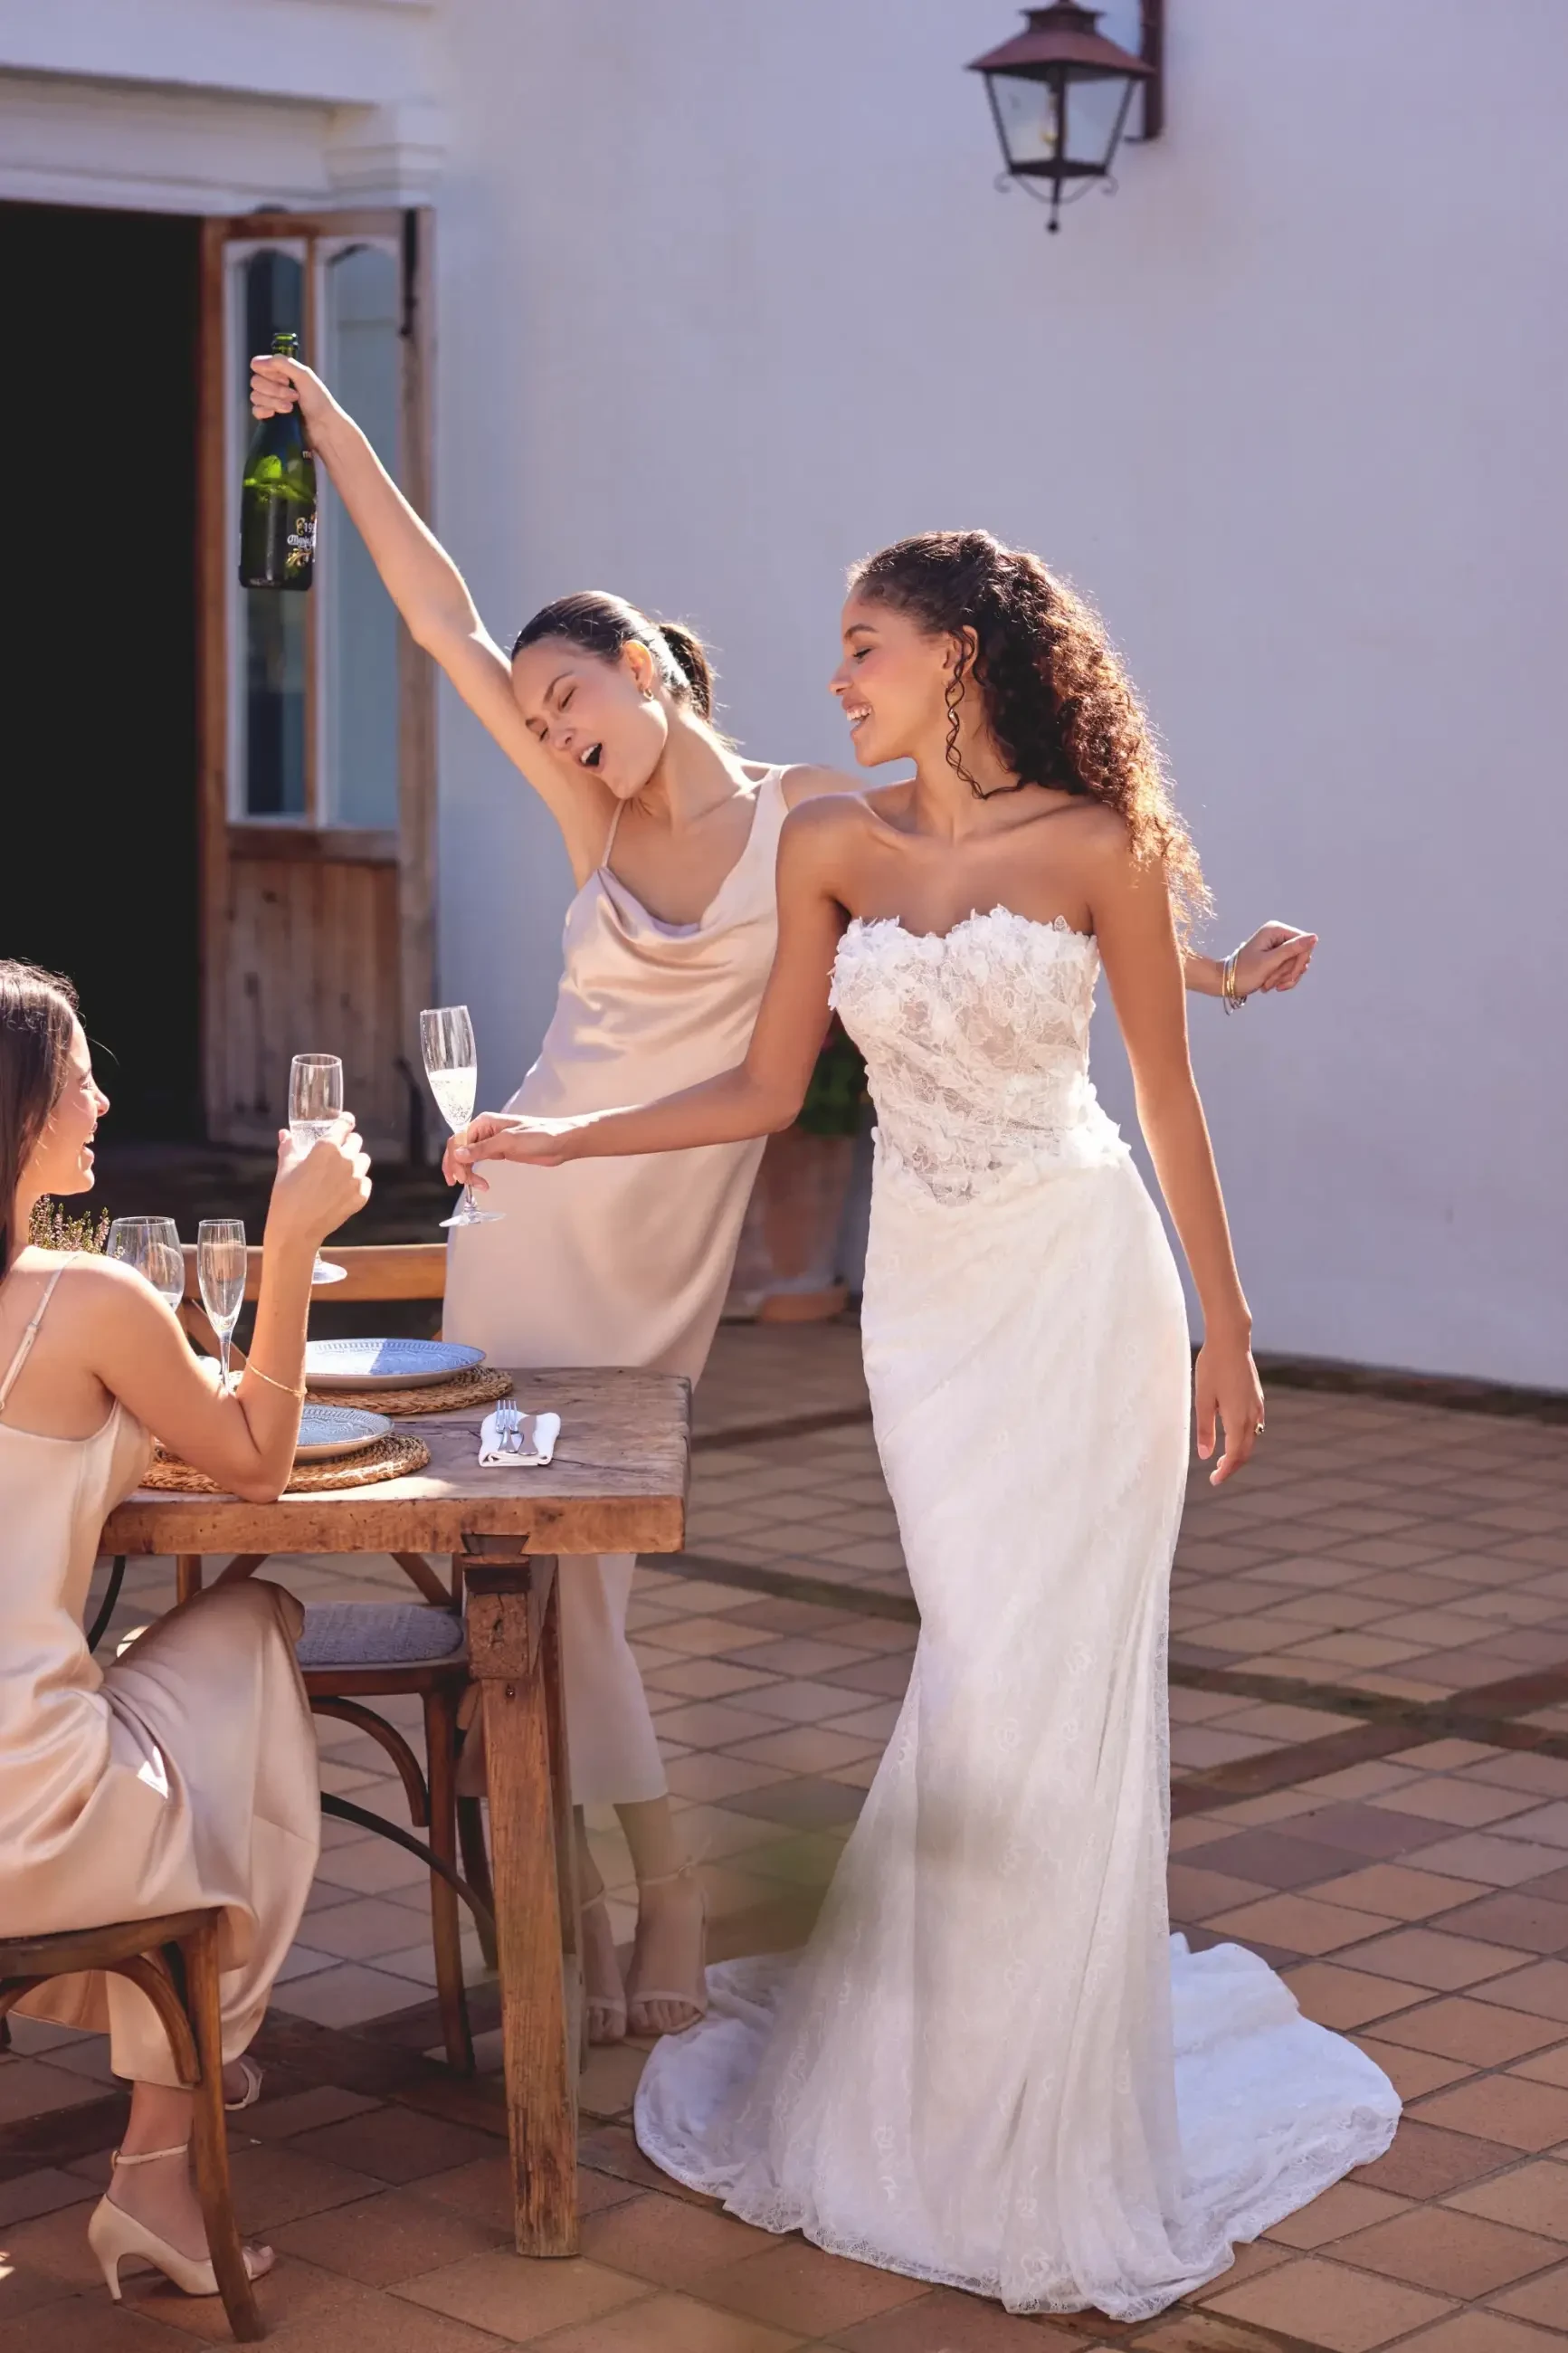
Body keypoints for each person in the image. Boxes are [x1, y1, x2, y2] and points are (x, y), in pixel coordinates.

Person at [250, 347, 1316, 2045]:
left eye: (572, 698)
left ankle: (621, 1893)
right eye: (534, 723)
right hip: (529, 1201)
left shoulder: (808, 813)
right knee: (526, 1578)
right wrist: (333, 435)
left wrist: (1208, 973)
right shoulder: (587, 821)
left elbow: (994, 903)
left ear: (648, 668)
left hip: (668, 1220)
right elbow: (437, 616)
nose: (554, 733)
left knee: (565, 1576)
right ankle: (601, 1894)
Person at [449, 533, 1399, 2320]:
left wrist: (1228, 1327)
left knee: (1036, 1681)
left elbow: (1164, 1108)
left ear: (957, 654)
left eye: (861, 643)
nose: (834, 675)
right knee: (972, 1657)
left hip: (1083, 1285)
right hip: (933, 1312)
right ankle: (937, 2076)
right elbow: (753, 1080)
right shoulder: (828, 835)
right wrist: (554, 1139)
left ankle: (1022, 2109)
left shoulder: (1094, 844)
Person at [0, 960, 370, 2306]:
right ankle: (162, 2143)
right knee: (252, 1631)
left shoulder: (89, 1304)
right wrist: (285, 1241)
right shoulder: (85, 1302)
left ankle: (187, 2058)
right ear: (18, 1105)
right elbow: (261, 1460)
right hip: (30, 1818)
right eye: (78, 1073)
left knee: (188, 1674)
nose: (102, 1096)